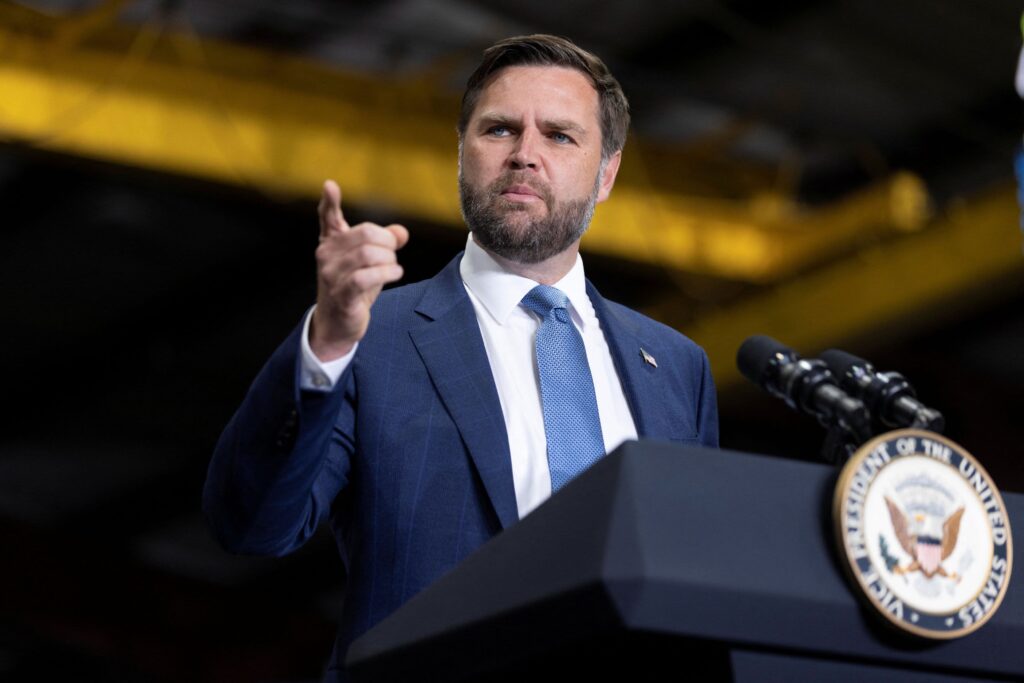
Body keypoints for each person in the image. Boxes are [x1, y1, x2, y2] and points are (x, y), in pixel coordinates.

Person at [204, 34, 718, 680]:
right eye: (500, 129)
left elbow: (699, 584)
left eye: (560, 136)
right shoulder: (373, 338)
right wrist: (328, 343)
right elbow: (252, 524)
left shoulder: (676, 367)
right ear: (461, 152)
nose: (525, 154)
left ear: (606, 174)